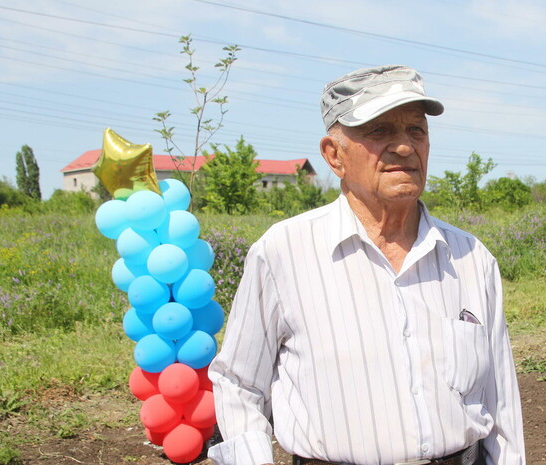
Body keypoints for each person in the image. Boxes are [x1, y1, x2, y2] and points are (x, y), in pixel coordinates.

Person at [207, 65, 525, 465]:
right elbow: (238, 384)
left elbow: (501, 401)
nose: (405, 147)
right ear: (333, 155)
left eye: (417, 131)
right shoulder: (283, 252)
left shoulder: (471, 257)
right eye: (379, 131)